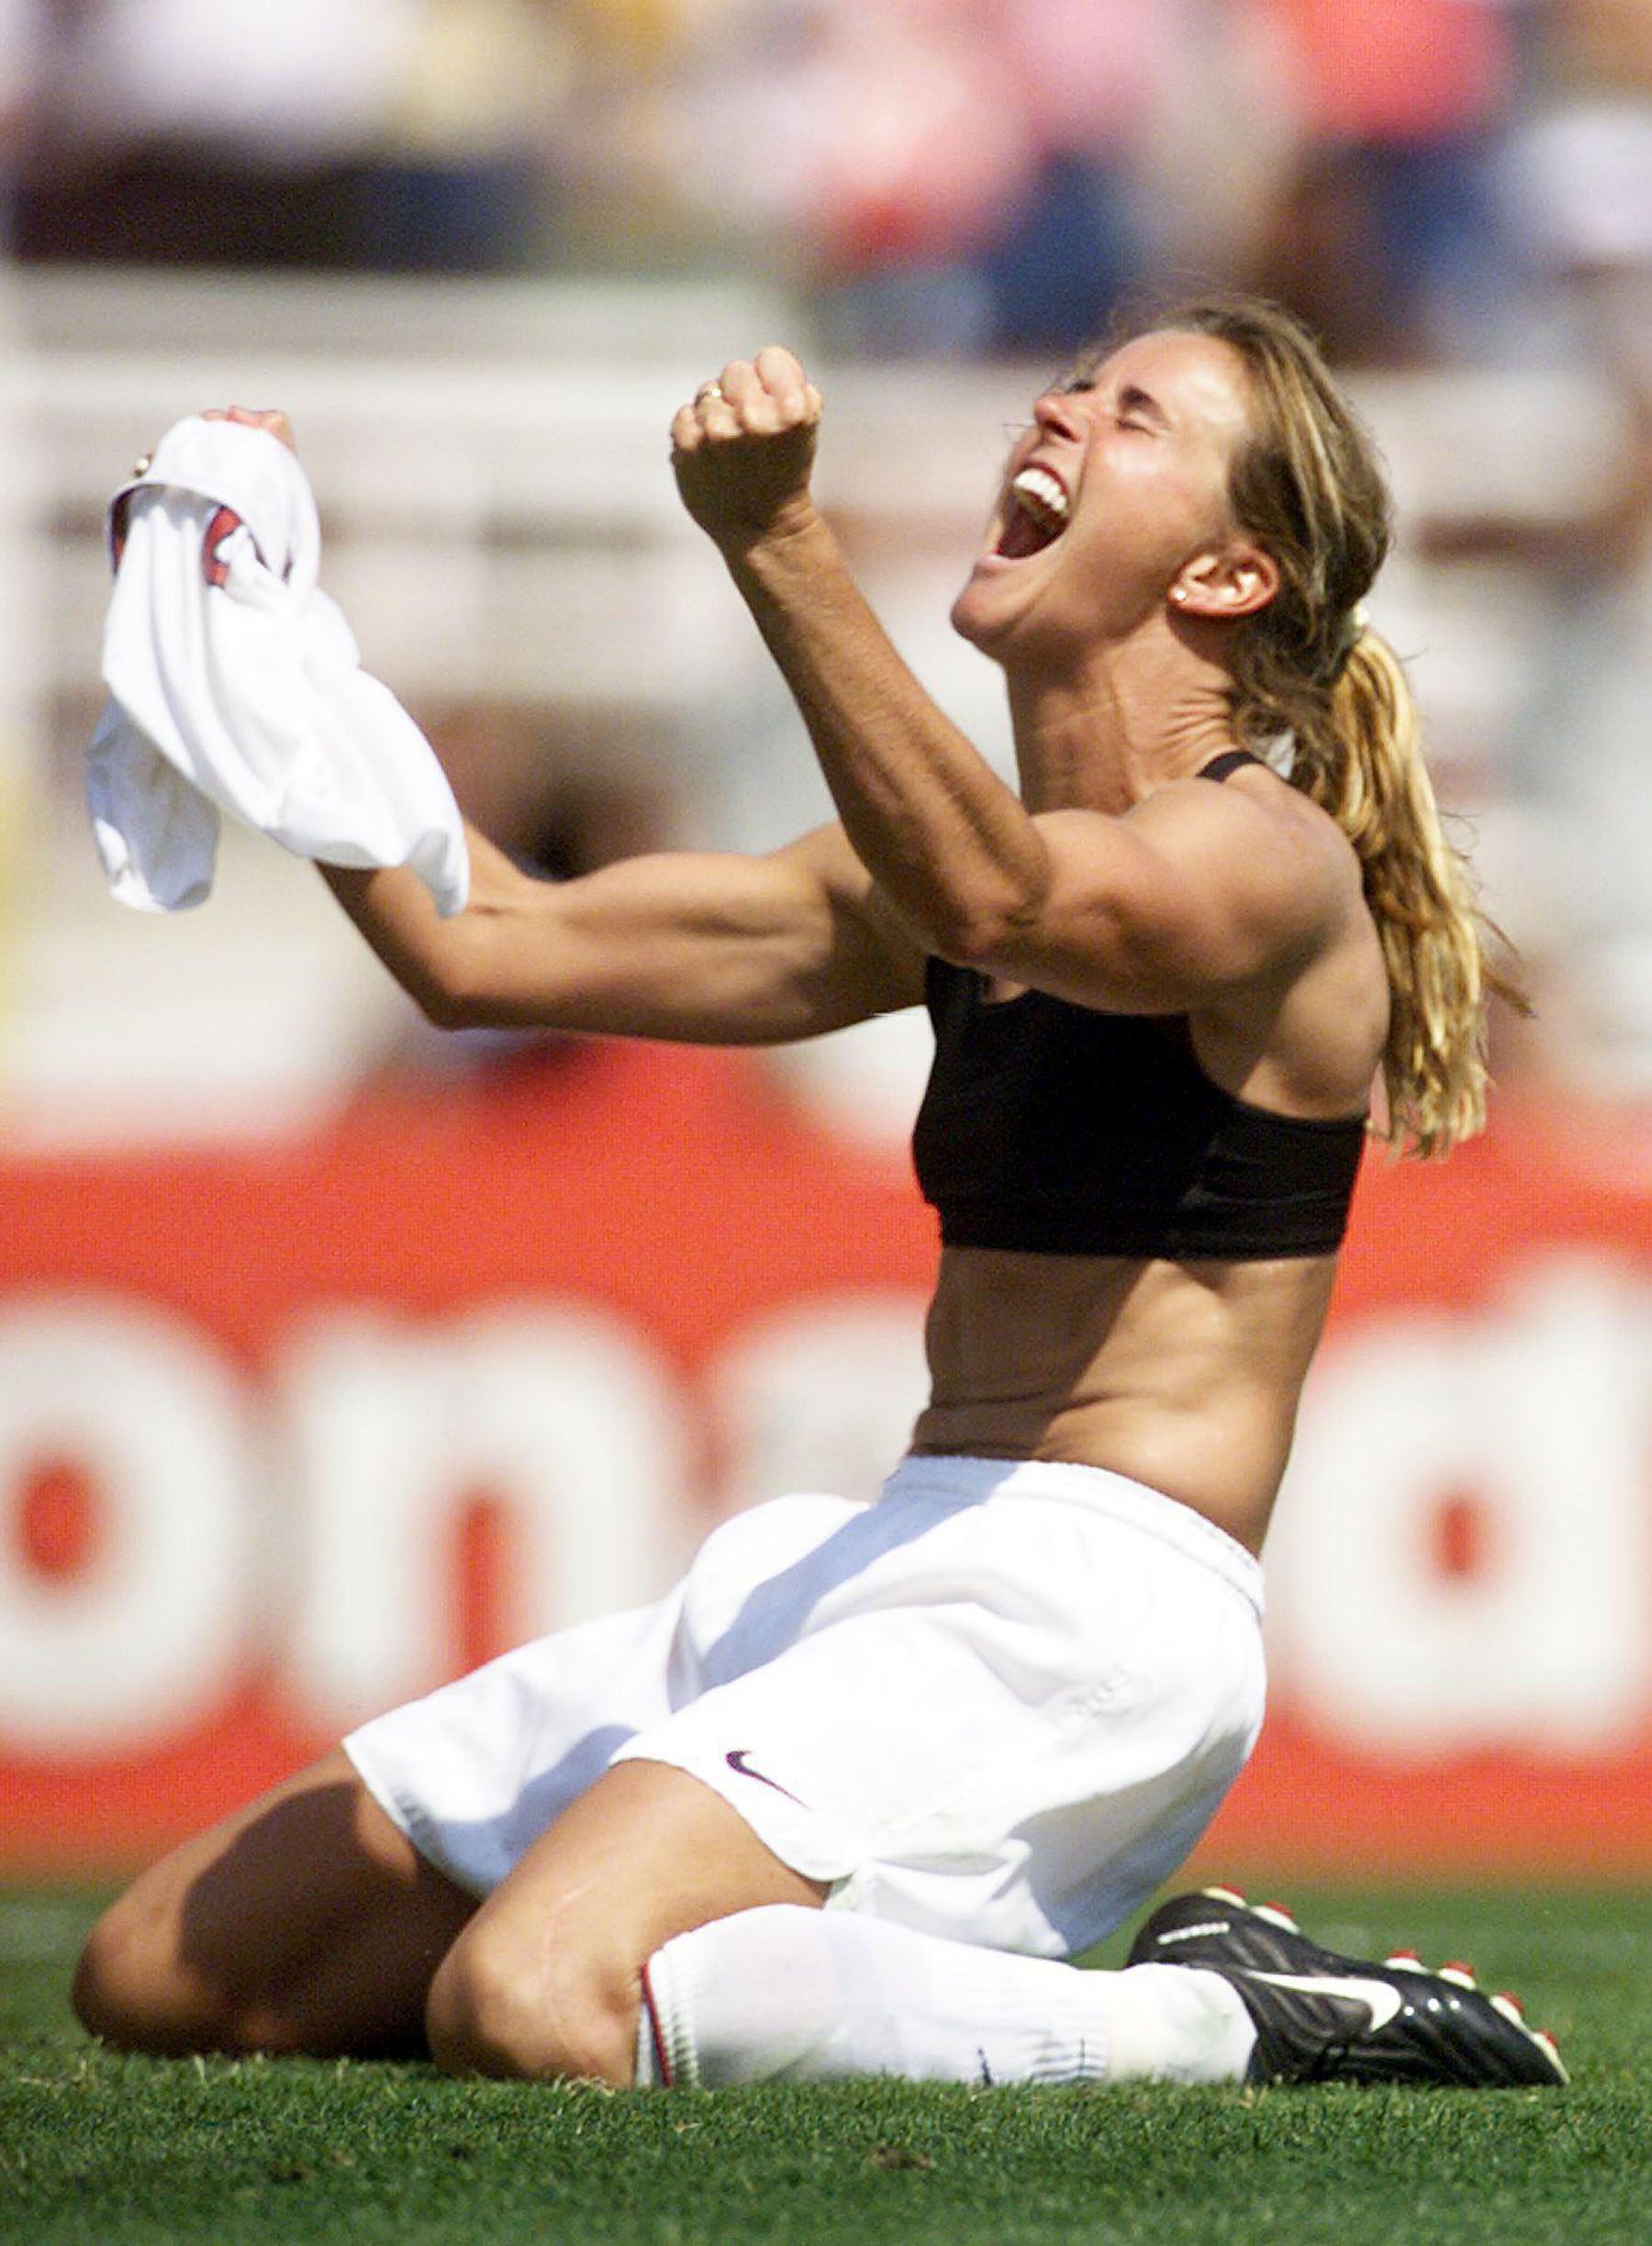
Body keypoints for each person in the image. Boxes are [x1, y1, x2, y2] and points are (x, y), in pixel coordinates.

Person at [71, 297, 1565, 2094]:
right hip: (877, 1558)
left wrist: (780, 541)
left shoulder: (1269, 861)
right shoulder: (929, 875)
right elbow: (485, 947)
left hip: (1088, 1619)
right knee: (165, 1974)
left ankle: (1225, 2021)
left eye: (1138, 414)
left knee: (535, 1999)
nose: (1065, 407)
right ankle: (778, 1967)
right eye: (1075, 380)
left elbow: (1008, 898)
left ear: (1234, 579)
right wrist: (269, 656)